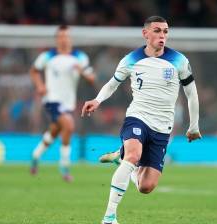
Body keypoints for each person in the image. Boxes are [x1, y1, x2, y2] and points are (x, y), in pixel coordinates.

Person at [81, 16, 201, 224]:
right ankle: (109, 217)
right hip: (137, 117)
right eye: (157, 31)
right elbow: (112, 84)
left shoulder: (179, 61)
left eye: (165, 31)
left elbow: (192, 93)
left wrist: (193, 126)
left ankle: (120, 156)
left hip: (163, 127)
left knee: (146, 187)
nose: (162, 35)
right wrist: (97, 100)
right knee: (134, 155)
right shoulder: (131, 59)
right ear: (145, 34)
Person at [30, 25, 95, 182]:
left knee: (54, 131)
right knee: (69, 126)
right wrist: (40, 86)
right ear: (57, 39)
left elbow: (92, 78)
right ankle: (65, 168)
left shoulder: (80, 57)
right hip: (51, 100)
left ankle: (35, 156)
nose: (64, 39)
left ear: (70, 38)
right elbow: (34, 71)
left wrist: (82, 72)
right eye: (61, 36)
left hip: (68, 103)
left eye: (66, 36)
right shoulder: (47, 56)